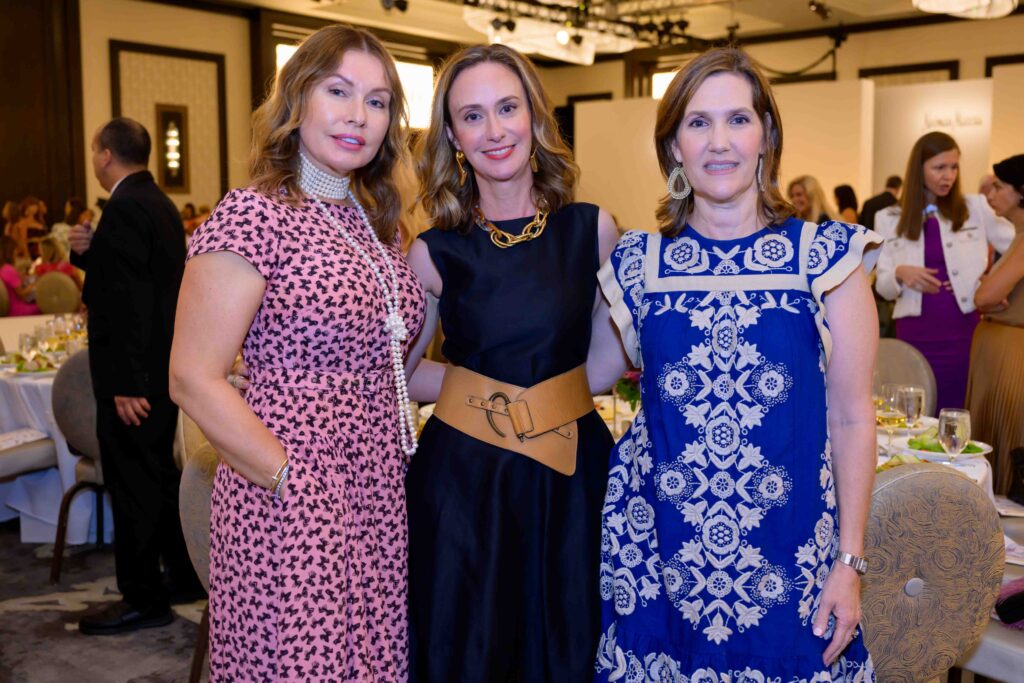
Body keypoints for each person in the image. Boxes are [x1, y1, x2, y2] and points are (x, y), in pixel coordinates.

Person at [594, 47, 880, 680]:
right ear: (672, 146)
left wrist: (850, 562)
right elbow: (582, 379)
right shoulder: (638, 262)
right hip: (657, 553)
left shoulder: (828, 258)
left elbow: (855, 419)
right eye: (697, 123)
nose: (718, 142)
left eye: (737, 120)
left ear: (766, 136)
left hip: (793, 557)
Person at [168, 25, 425, 681]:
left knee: (368, 661)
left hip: (375, 490)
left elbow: (387, 366)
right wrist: (293, 481)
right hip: (287, 493)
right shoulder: (256, 214)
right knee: (297, 665)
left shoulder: (375, 223)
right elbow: (193, 378)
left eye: (376, 101)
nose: (358, 116)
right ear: (297, 98)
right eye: (338, 91)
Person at [404, 43, 623, 682]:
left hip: (570, 475)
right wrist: (497, 399)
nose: (494, 131)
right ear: (452, 135)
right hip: (465, 482)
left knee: (569, 641)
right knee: (469, 648)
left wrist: (539, 401)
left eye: (507, 108)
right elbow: (405, 374)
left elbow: (604, 367)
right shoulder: (434, 252)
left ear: (534, 116)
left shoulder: (593, 230)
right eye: (473, 116)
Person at [68, 117, 201, 635]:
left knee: (134, 486)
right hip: (160, 368)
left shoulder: (123, 207)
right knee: (160, 478)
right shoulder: (159, 203)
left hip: (134, 378)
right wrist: (86, 255)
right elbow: (133, 279)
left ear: (104, 155)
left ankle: (142, 598)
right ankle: (185, 575)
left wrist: (126, 381)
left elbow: (129, 302)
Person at [875, 131, 1015, 410]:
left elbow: (1016, 244)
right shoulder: (888, 217)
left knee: (959, 407)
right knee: (915, 410)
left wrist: (993, 280)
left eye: (954, 167)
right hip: (915, 328)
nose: (948, 175)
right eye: (939, 167)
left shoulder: (975, 207)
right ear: (919, 169)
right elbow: (882, 285)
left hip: (962, 327)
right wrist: (900, 273)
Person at [966, 154, 1024, 495]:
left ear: (1021, 192)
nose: (991, 195)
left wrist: (987, 288)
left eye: (999, 187)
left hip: (1009, 357)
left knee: (1006, 437)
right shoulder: (1016, 236)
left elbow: (984, 296)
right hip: (998, 352)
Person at [0, 235, 39, 316]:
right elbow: (22, 294)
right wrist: (36, 283)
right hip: (17, 310)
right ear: (11, 251)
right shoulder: (9, 270)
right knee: (45, 305)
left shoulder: (3, 268)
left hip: (9, 309)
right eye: (15, 250)